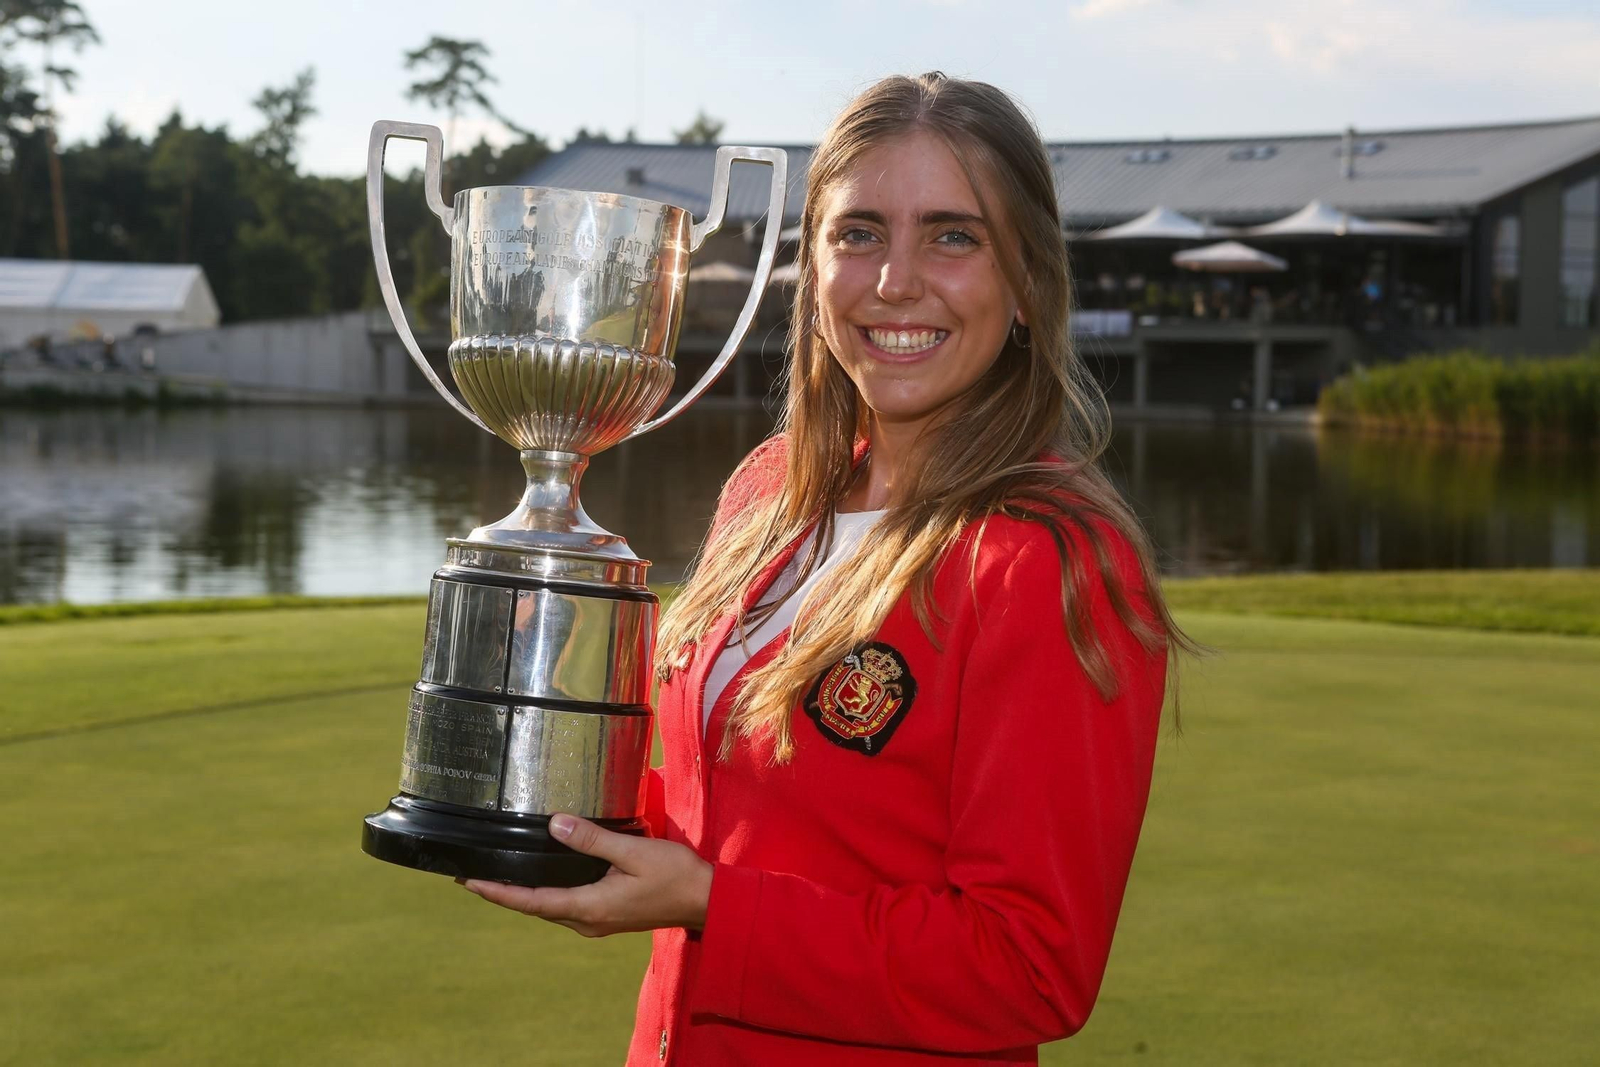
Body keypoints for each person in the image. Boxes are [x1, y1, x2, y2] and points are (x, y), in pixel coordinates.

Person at [461, 71, 1204, 1065]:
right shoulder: (768, 493)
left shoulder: (1045, 559)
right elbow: (724, 810)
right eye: (858, 233)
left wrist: (712, 907)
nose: (895, 279)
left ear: (1024, 280)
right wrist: (528, 787)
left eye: (953, 233)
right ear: (812, 270)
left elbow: (1028, 962)